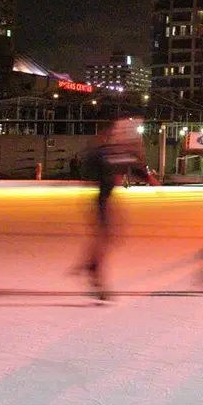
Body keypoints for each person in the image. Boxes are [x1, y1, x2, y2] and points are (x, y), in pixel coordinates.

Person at [76, 119, 145, 300]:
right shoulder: (101, 152)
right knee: (106, 238)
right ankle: (96, 277)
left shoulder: (111, 151)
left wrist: (146, 175)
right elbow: (91, 168)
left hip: (105, 199)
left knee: (109, 238)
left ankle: (91, 265)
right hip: (101, 200)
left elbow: (133, 164)